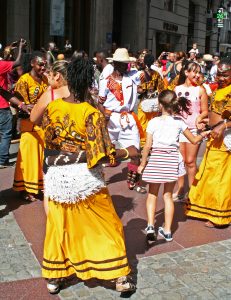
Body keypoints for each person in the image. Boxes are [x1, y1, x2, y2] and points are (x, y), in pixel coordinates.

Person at [34, 57, 135, 294]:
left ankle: (56, 277)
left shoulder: (53, 106)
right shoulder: (92, 113)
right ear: (89, 83)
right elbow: (100, 155)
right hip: (85, 179)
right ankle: (119, 276)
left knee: (60, 226)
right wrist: (127, 152)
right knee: (106, 224)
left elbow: (49, 142)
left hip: (58, 177)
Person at [138, 90, 210, 242]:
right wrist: (204, 133)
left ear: (159, 104)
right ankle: (168, 231)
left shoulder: (153, 122)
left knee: (152, 195)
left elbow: (147, 146)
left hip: (157, 158)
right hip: (171, 160)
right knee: (168, 196)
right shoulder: (179, 122)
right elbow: (194, 140)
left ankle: (151, 225)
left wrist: (142, 164)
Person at [186, 57, 231, 227]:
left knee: (219, 176)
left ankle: (219, 215)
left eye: (225, 75)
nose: (220, 78)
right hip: (214, 136)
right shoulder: (218, 89)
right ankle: (206, 208)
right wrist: (205, 121)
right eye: (219, 74)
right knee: (210, 172)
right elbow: (214, 111)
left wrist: (224, 126)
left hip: (225, 137)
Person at [98, 48, 146, 193]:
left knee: (136, 152)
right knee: (103, 151)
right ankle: (97, 180)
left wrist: (143, 66)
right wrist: (104, 115)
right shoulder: (106, 82)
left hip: (128, 117)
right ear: (117, 64)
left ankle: (134, 181)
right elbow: (100, 102)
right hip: (111, 118)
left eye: (128, 63)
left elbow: (147, 76)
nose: (127, 66)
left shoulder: (132, 76)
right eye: (125, 64)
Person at [30, 60, 70, 213]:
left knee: (51, 192)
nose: (48, 78)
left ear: (58, 75)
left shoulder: (51, 94)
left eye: (51, 75)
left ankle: (54, 229)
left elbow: (33, 118)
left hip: (54, 148)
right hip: (77, 149)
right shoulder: (80, 92)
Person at [13, 52, 48, 201]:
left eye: (44, 65)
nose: (43, 67)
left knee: (40, 158)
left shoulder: (45, 79)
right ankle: (25, 189)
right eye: (40, 64)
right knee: (27, 158)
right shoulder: (24, 80)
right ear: (33, 63)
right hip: (29, 125)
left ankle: (37, 186)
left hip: (43, 125)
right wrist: (35, 107)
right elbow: (22, 105)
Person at [173, 61, 208, 201]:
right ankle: (181, 190)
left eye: (199, 72)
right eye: (194, 71)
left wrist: (199, 118)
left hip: (193, 129)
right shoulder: (177, 89)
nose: (197, 74)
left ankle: (193, 194)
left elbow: (205, 111)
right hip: (179, 129)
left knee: (190, 161)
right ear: (186, 72)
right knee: (180, 162)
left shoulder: (200, 90)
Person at [0, 38, 26, 168]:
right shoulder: (1, 65)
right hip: (2, 105)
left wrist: (10, 48)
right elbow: (17, 62)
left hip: (5, 101)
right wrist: (21, 48)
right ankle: (2, 159)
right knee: (6, 133)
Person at [137, 53, 164, 146]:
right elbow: (161, 88)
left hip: (144, 101)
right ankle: (152, 143)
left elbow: (140, 89)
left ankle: (144, 144)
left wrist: (141, 88)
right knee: (153, 123)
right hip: (155, 101)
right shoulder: (156, 74)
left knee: (142, 123)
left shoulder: (141, 74)